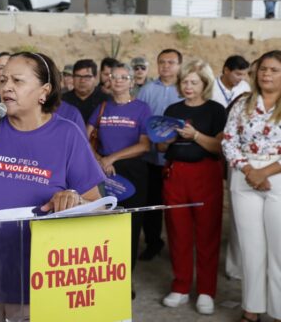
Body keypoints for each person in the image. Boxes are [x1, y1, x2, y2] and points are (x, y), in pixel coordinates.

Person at [0, 52, 104, 322]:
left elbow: (98, 207)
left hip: (39, 276)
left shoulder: (67, 135)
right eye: (3, 80)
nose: (6, 87)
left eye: (17, 81)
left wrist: (75, 200)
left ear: (44, 91)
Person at [158, 60, 226, 315]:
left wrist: (194, 135)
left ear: (205, 84)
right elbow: (160, 146)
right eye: (185, 81)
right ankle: (181, 286)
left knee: (208, 234)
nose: (188, 86)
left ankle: (207, 291)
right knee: (178, 232)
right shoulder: (172, 108)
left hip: (206, 173)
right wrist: (168, 138)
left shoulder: (216, 110)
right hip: (175, 173)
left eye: (194, 82)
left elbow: (219, 147)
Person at [222, 50, 281, 322]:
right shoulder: (243, 103)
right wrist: (249, 170)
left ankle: (278, 311)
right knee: (251, 248)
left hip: (277, 175)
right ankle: (251, 309)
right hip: (243, 176)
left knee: (279, 249)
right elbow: (228, 140)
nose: (266, 74)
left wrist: (263, 172)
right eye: (263, 69)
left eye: (274, 70)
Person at [87, 62, 151, 287]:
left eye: (124, 77)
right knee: (105, 225)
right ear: (109, 81)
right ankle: (105, 277)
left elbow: (144, 145)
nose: (119, 81)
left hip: (132, 171)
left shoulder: (142, 108)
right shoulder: (102, 107)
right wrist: (99, 159)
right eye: (114, 77)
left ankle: (125, 281)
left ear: (132, 82)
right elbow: (85, 138)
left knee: (130, 227)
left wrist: (111, 158)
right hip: (103, 172)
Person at [137, 49, 183, 261]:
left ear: (179, 65)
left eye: (171, 62)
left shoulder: (184, 89)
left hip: (176, 159)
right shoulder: (147, 89)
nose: (166, 66)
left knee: (176, 207)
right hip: (150, 158)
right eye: (162, 62)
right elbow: (139, 119)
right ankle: (153, 242)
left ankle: (179, 248)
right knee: (152, 204)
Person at [211, 55, 250, 281]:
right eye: (237, 73)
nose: (241, 78)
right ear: (225, 70)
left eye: (244, 74)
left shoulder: (245, 89)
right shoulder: (211, 88)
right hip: (222, 149)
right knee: (236, 213)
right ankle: (235, 265)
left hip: (250, 159)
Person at [62, 59, 111, 123]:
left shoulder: (106, 101)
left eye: (87, 77)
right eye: (78, 76)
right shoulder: (62, 101)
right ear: (73, 77)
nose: (82, 81)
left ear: (95, 78)